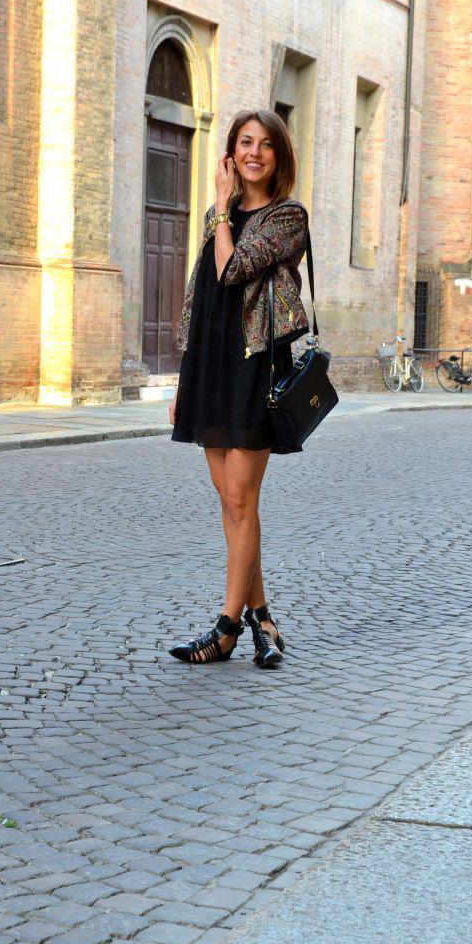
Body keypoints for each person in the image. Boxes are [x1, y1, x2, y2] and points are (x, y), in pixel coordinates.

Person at [168, 109, 310, 669]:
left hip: (255, 367)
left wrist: (223, 209)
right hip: (211, 365)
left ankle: (226, 629)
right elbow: (201, 293)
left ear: (278, 156)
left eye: (266, 144)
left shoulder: (287, 217)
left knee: (241, 498)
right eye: (245, 142)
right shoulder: (216, 215)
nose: (255, 153)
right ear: (231, 152)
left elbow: (233, 270)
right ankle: (263, 618)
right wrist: (185, 378)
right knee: (231, 503)